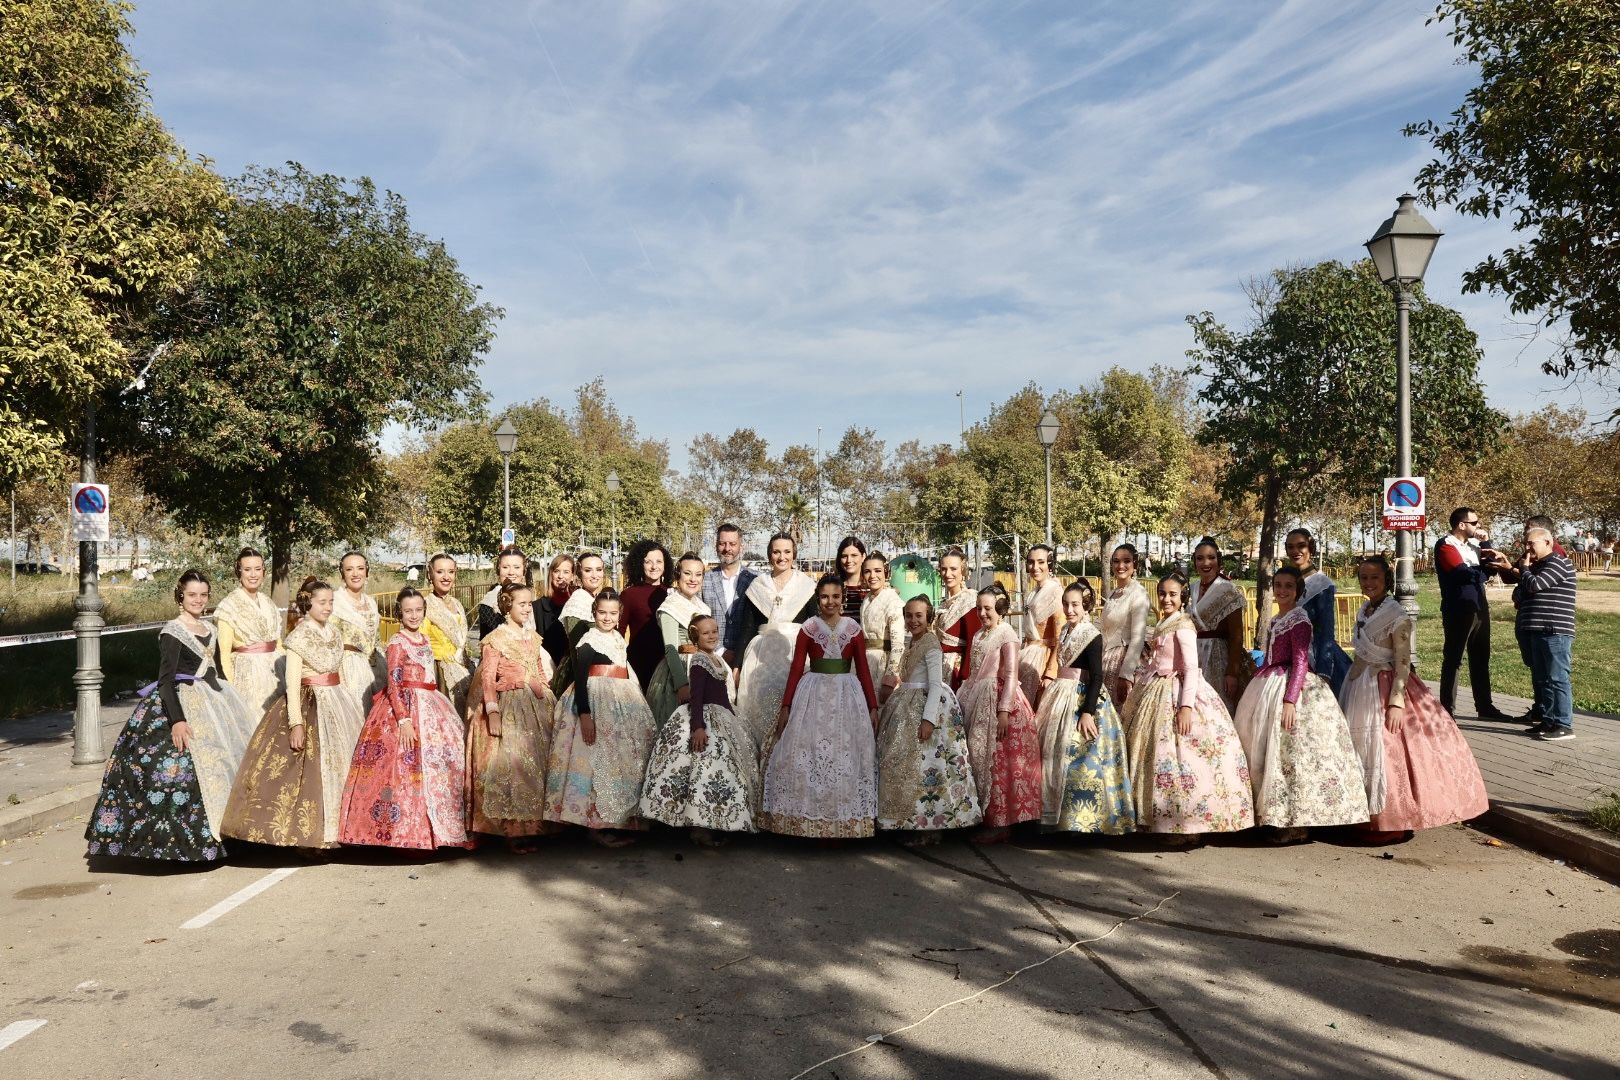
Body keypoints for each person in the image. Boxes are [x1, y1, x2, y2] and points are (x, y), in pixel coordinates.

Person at [86, 570, 258, 861]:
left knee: (223, 763)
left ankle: (230, 835)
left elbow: (214, 671)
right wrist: (177, 720)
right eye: (192, 595)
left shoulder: (210, 629)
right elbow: (165, 681)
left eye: (203, 595)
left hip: (212, 702)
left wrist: (230, 704)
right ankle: (180, 844)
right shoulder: (173, 631)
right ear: (181, 596)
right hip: (180, 702)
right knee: (181, 770)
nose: (198, 600)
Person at [1339, 556, 1489, 842]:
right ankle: (1363, 816)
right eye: (1364, 577)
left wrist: (1396, 701)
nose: (1368, 583)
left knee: (1387, 751)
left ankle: (1392, 820)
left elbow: (1403, 661)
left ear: (1387, 581)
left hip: (1385, 687)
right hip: (1359, 686)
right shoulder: (1365, 610)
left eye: (1375, 578)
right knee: (1361, 749)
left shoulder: (1396, 615)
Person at [222, 577, 367, 849]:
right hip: (311, 701)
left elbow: (339, 672)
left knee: (342, 764)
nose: (327, 607)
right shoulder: (298, 636)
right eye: (321, 602)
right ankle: (317, 837)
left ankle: (344, 828)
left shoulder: (334, 632)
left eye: (330, 602)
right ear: (307, 603)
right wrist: (296, 722)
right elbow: (291, 682)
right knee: (313, 772)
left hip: (338, 701)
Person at [1231, 566, 1368, 842]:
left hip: (1293, 685)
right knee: (1265, 750)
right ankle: (1269, 815)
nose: (1282, 591)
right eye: (1278, 585)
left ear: (1298, 591)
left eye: (1288, 587)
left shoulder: (1299, 619)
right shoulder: (1275, 619)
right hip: (1267, 684)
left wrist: (1291, 699)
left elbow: (1301, 661)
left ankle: (1295, 821)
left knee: (1292, 753)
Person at [1120, 571, 1254, 842]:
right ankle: (1157, 817)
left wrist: (1186, 707)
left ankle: (1187, 823)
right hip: (1155, 688)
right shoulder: (1164, 622)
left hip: (1179, 691)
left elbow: (1191, 669)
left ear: (1183, 597)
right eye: (1162, 594)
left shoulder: (1183, 625)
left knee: (1184, 757)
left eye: (1172, 594)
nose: (1166, 599)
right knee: (1154, 754)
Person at [339, 587, 470, 851]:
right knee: (404, 765)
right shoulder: (397, 643)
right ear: (400, 612)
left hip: (431, 702)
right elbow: (394, 683)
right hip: (404, 709)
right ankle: (409, 834)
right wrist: (404, 720)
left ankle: (442, 827)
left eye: (418, 610)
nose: (413, 615)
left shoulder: (424, 639)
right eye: (408, 611)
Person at [758, 575, 880, 838]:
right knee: (808, 751)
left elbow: (864, 671)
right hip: (812, 694)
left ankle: (843, 823)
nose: (830, 602)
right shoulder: (809, 628)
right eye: (825, 597)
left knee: (844, 751)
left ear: (843, 599)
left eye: (836, 597)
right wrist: (786, 705)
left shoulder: (853, 629)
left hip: (847, 695)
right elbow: (795, 669)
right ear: (818, 599)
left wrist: (872, 705)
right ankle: (806, 821)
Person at [545, 589, 658, 847]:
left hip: (622, 703)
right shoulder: (588, 641)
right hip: (597, 701)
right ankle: (594, 823)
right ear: (594, 613)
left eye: (613, 613)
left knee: (619, 758)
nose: (607, 618)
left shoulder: (618, 638)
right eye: (602, 613)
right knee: (596, 760)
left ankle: (618, 818)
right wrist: (585, 714)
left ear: (619, 616)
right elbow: (581, 680)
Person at [639, 614, 761, 845]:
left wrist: (732, 716)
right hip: (703, 716)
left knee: (726, 768)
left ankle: (718, 820)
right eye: (706, 633)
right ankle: (700, 827)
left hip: (723, 714)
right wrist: (698, 727)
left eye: (714, 631)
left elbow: (723, 695)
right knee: (701, 770)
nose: (712, 636)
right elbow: (696, 697)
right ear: (696, 635)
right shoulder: (698, 660)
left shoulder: (715, 659)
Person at [875, 596, 981, 843]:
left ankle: (928, 827)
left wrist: (928, 719)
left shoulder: (931, 643)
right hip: (906, 704)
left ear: (929, 618)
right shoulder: (914, 641)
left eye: (918, 616)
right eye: (909, 616)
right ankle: (906, 820)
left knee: (927, 766)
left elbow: (935, 684)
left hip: (925, 706)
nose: (913, 620)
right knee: (904, 762)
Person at [1035, 581, 1134, 836]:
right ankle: (1052, 814)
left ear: (1085, 605)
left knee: (1082, 756)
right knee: (1052, 752)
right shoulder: (1066, 631)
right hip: (1060, 693)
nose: (1069, 609)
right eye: (1066, 604)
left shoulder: (1092, 635)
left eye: (1075, 605)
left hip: (1082, 697)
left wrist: (1088, 712)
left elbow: (1097, 677)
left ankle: (1083, 818)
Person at [465, 582, 553, 852]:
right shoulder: (496, 639)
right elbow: (489, 679)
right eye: (522, 604)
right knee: (513, 766)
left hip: (536, 704)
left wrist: (548, 697)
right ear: (507, 606)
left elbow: (538, 669)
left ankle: (534, 826)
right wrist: (492, 712)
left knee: (536, 765)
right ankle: (513, 831)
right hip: (510, 704)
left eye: (529, 604)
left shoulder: (532, 637)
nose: (528, 609)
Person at [958, 584, 1041, 843]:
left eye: (989, 609)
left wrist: (1004, 711)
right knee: (978, 755)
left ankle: (1001, 823)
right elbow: (972, 673)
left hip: (1000, 701)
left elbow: (1011, 674)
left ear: (1001, 609)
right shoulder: (979, 635)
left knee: (999, 762)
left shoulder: (1007, 634)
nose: (983, 614)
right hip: (978, 697)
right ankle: (983, 816)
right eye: (979, 608)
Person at [733, 533, 817, 746]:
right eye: (776, 551)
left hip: (796, 656)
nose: (782, 557)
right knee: (761, 710)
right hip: (761, 658)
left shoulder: (806, 585)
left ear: (794, 554)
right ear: (769, 555)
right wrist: (737, 665)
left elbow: (815, 626)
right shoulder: (757, 585)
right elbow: (747, 627)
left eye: (787, 552)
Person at [1486, 515, 1567, 728]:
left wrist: (1522, 576)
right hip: (1531, 620)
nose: (1526, 539)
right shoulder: (1532, 555)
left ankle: (1559, 721)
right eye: (1526, 534)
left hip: (1549, 624)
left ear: (1546, 536)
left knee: (1554, 676)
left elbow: (1534, 584)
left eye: (1530, 533)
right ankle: (1544, 715)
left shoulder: (1556, 556)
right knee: (1539, 671)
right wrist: (1508, 568)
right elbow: (1519, 578)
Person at [1434, 508, 1510, 721]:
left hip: (1479, 606)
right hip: (1457, 609)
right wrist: (1484, 572)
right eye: (1474, 522)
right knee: (1454, 659)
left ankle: (1485, 707)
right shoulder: (1445, 545)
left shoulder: (1475, 545)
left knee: (1480, 658)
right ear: (1461, 525)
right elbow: (1462, 574)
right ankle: (1447, 711)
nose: (1478, 526)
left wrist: (1486, 542)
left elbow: (1492, 567)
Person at [1513, 527, 1578, 741]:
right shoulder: (1537, 566)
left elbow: (1535, 585)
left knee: (1557, 678)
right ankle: (1548, 721)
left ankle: (1563, 724)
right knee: (1543, 679)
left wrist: (1524, 570)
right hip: (1535, 630)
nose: (1528, 548)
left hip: (1554, 630)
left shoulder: (1558, 562)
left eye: (1532, 543)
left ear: (1548, 542)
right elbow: (1519, 594)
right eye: (1526, 543)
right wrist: (1526, 578)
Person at [214, 547, 283, 717]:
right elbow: (223, 655)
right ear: (239, 572)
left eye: (257, 569)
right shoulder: (228, 606)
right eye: (247, 569)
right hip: (248, 677)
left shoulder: (268, 603)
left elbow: (279, 644)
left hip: (277, 672)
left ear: (263, 571)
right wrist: (233, 691)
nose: (253, 575)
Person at [644, 552, 712, 725]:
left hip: (702, 667)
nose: (693, 579)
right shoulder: (670, 606)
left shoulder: (703, 607)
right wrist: (681, 685)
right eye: (687, 573)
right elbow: (671, 648)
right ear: (677, 576)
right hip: (679, 671)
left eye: (698, 575)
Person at [1187, 537, 1251, 712]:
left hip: (1218, 657)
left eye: (1211, 558)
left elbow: (1237, 636)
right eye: (1200, 558)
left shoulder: (1228, 590)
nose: (1205, 563)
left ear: (1219, 560)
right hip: (1193, 654)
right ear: (1194, 561)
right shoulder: (1192, 588)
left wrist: (1232, 672)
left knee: (1215, 708)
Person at [1284, 529, 1351, 695]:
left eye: (1301, 546)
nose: (1295, 551)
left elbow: (1326, 631)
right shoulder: (1287, 580)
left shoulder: (1322, 584)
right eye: (1290, 547)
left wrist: (1324, 672)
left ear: (1311, 548)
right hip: (1288, 652)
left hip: (1314, 656)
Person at [331, 551, 384, 707]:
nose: (355, 574)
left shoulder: (371, 602)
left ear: (366, 571)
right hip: (348, 671)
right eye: (349, 569)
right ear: (342, 573)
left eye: (360, 568)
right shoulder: (334, 601)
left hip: (375, 668)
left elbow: (377, 639)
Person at [700, 522, 758, 668]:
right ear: (716, 546)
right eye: (722, 544)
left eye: (732, 543)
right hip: (712, 660)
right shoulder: (704, 579)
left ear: (741, 546)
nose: (727, 549)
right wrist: (720, 651)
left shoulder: (756, 580)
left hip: (747, 660)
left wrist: (740, 655)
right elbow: (699, 620)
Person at [422, 553, 473, 716]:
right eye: (440, 572)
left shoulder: (457, 604)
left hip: (462, 667)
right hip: (438, 672)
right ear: (430, 574)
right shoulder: (424, 604)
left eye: (450, 572)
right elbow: (420, 644)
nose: (446, 577)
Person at [550, 551, 606, 696]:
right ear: (579, 574)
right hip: (583, 675)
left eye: (598, 570)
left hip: (603, 671)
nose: (594, 575)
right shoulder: (577, 603)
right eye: (588, 570)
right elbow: (577, 652)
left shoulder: (597, 599)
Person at [1100, 544, 1150, 706]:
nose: (1120, 566)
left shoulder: (1138, 593)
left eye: (1126, 561)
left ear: (1135, 564)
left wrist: (1126, 674)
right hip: (1106, 660)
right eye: (1116, 561)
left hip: (1126, 663)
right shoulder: (1113, 594)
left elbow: (1138, 638)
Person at [619, 539, 671, 690]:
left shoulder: (672, 594)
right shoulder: (629, 595)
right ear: (639, 564)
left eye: (659, 561)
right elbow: (619, 632)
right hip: (638, 664)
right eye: (648, 562)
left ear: (665, 564)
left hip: (668, 663)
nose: (654, 566)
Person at [1018, 544, 1064, 707]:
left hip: (1044, 660)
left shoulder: (1056, 592)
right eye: (1031, 562)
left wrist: (1051, 673)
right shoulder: (1032, 593)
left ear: (1049, 564)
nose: (1035, 567)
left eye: (1041, 562)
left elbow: (1061, 637)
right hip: (1027, 655)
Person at [858, 552, 905, 704]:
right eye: (867, 571)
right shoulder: (866, 600)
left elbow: (898, 643)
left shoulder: (893, 600)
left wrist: (890, 677)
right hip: (865, 662)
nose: (872, 576)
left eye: (877, 571)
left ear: (886, 572)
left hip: (883, 664)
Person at [933, 547, 980, 688]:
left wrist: (965, 676)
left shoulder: (970, 601)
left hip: (957, 670)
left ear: (963, 571)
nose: (948, 574)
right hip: (939, 667)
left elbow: (974, 642)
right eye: (944, 569)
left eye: (953, 569)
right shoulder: (943, 604)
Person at [475, 546, 535, 647]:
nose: (511, 572)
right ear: (499, 570)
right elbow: (489, 641)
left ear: (524, 571)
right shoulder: (490, 602)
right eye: (505, 567)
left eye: (517, 567)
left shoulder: (528, 596)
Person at [536, 552, 575, 665]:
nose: (560, 576)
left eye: (566, 572)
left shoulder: (578, 605)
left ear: (572, 576)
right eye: (556, 571)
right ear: (551, 574)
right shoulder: (537, 607)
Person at [835, 536, 868, 620]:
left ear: (863, 556)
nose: (849, 560)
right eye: (844, 556)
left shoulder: (872, 588)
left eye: (854, 555)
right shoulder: (833, 588)